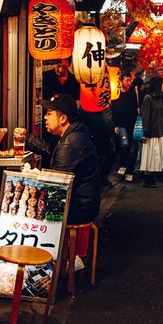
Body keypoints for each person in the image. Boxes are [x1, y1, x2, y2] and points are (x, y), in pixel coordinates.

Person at [25, 93, 101, 225]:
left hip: (77, 209)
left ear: (63, 118)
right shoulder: (73, 133)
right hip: (82, 205)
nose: (44, 117)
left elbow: (56, 187)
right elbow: (48, 149)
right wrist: (26, 138)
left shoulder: (70, 144)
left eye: (49, 113)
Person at [111, 72, 139, 182]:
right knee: (124, 144)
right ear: (121, 81)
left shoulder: (134, 92)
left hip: (133, 124)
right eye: (127, 80)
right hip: (121, 124)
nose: (129, 83)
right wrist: (115, 125)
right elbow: (113, 111)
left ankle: (130, 171)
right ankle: (122, 165)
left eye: (130, 80)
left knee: (132, 148)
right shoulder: (116, 93)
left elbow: (137, 107)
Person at [140, 76, 163, 187]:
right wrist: (145, 133)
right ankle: (147, 177)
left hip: (158, 131)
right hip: (150, 133)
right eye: (162, 84)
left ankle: (151, 177)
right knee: (149, 155)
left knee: (155, 156)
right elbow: (146, 116)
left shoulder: (158, 99)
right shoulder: (148, 98)